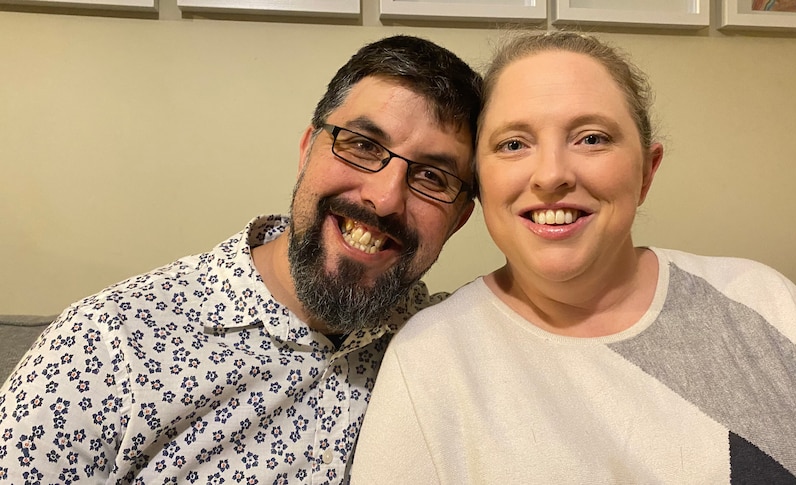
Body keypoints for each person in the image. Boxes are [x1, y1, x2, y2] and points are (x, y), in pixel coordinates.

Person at [351, 31, 796, 484]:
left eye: (591, 138)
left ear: (646, 171)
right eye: (513, 143)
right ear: (480, 183)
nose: (550, 175)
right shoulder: (433, 359)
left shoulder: (763, 300)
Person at [0, 35, 480, 484]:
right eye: (362, 145)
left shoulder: (448, 348)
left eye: (433, 177)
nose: (384, 197)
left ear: (459, 220)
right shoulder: (105, 346)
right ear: (307, 150)